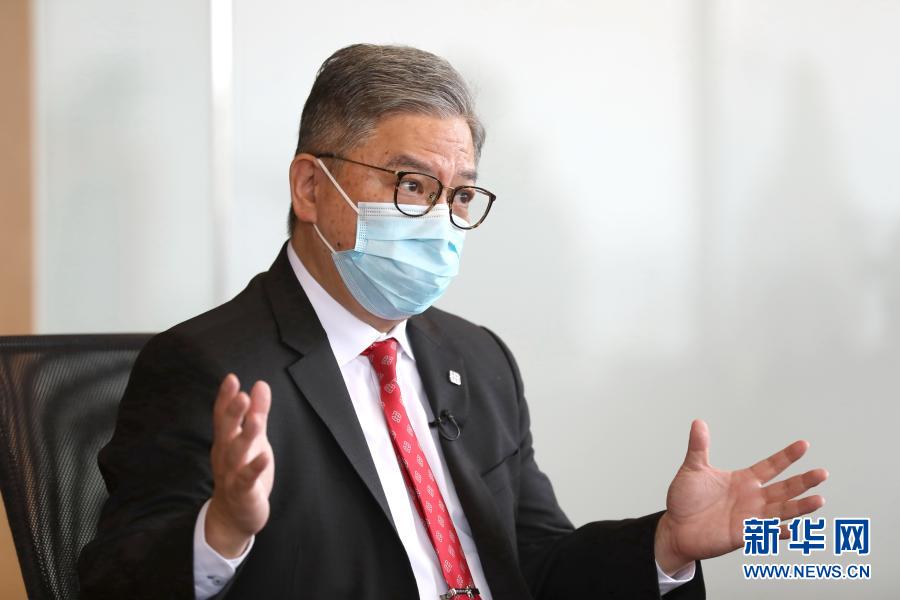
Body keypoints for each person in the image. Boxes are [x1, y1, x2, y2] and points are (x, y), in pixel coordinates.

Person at [77, 44, 828, 599]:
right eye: (411, 185)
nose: (439, 218)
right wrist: (221, 531)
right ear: (310, 187)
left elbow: (535, 564)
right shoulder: (209, 366)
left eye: (459, 194)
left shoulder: (476, 358)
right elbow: (114, 583)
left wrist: (666, 544)